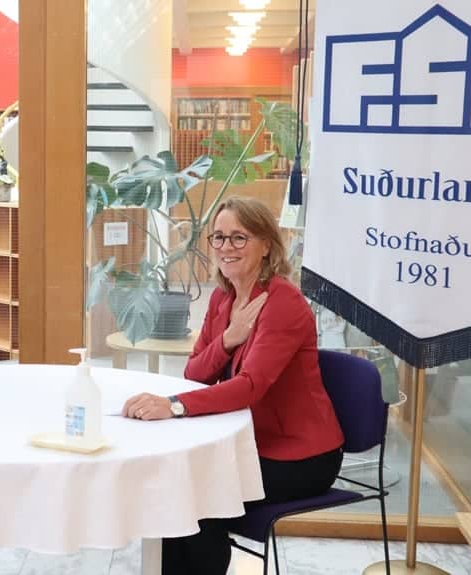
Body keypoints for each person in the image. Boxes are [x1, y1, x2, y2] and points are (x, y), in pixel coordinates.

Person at [122, 196, 345, 574]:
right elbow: (195, 373)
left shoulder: (283, 302)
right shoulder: (223, 298)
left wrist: (173, 405)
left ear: (266, 246)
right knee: (175, 491)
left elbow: (249, 386)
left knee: (199, 499)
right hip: (248, 443)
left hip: (301, 457)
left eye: (239, 237)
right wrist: (229, 338)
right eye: (219, 237)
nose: (227, 247)